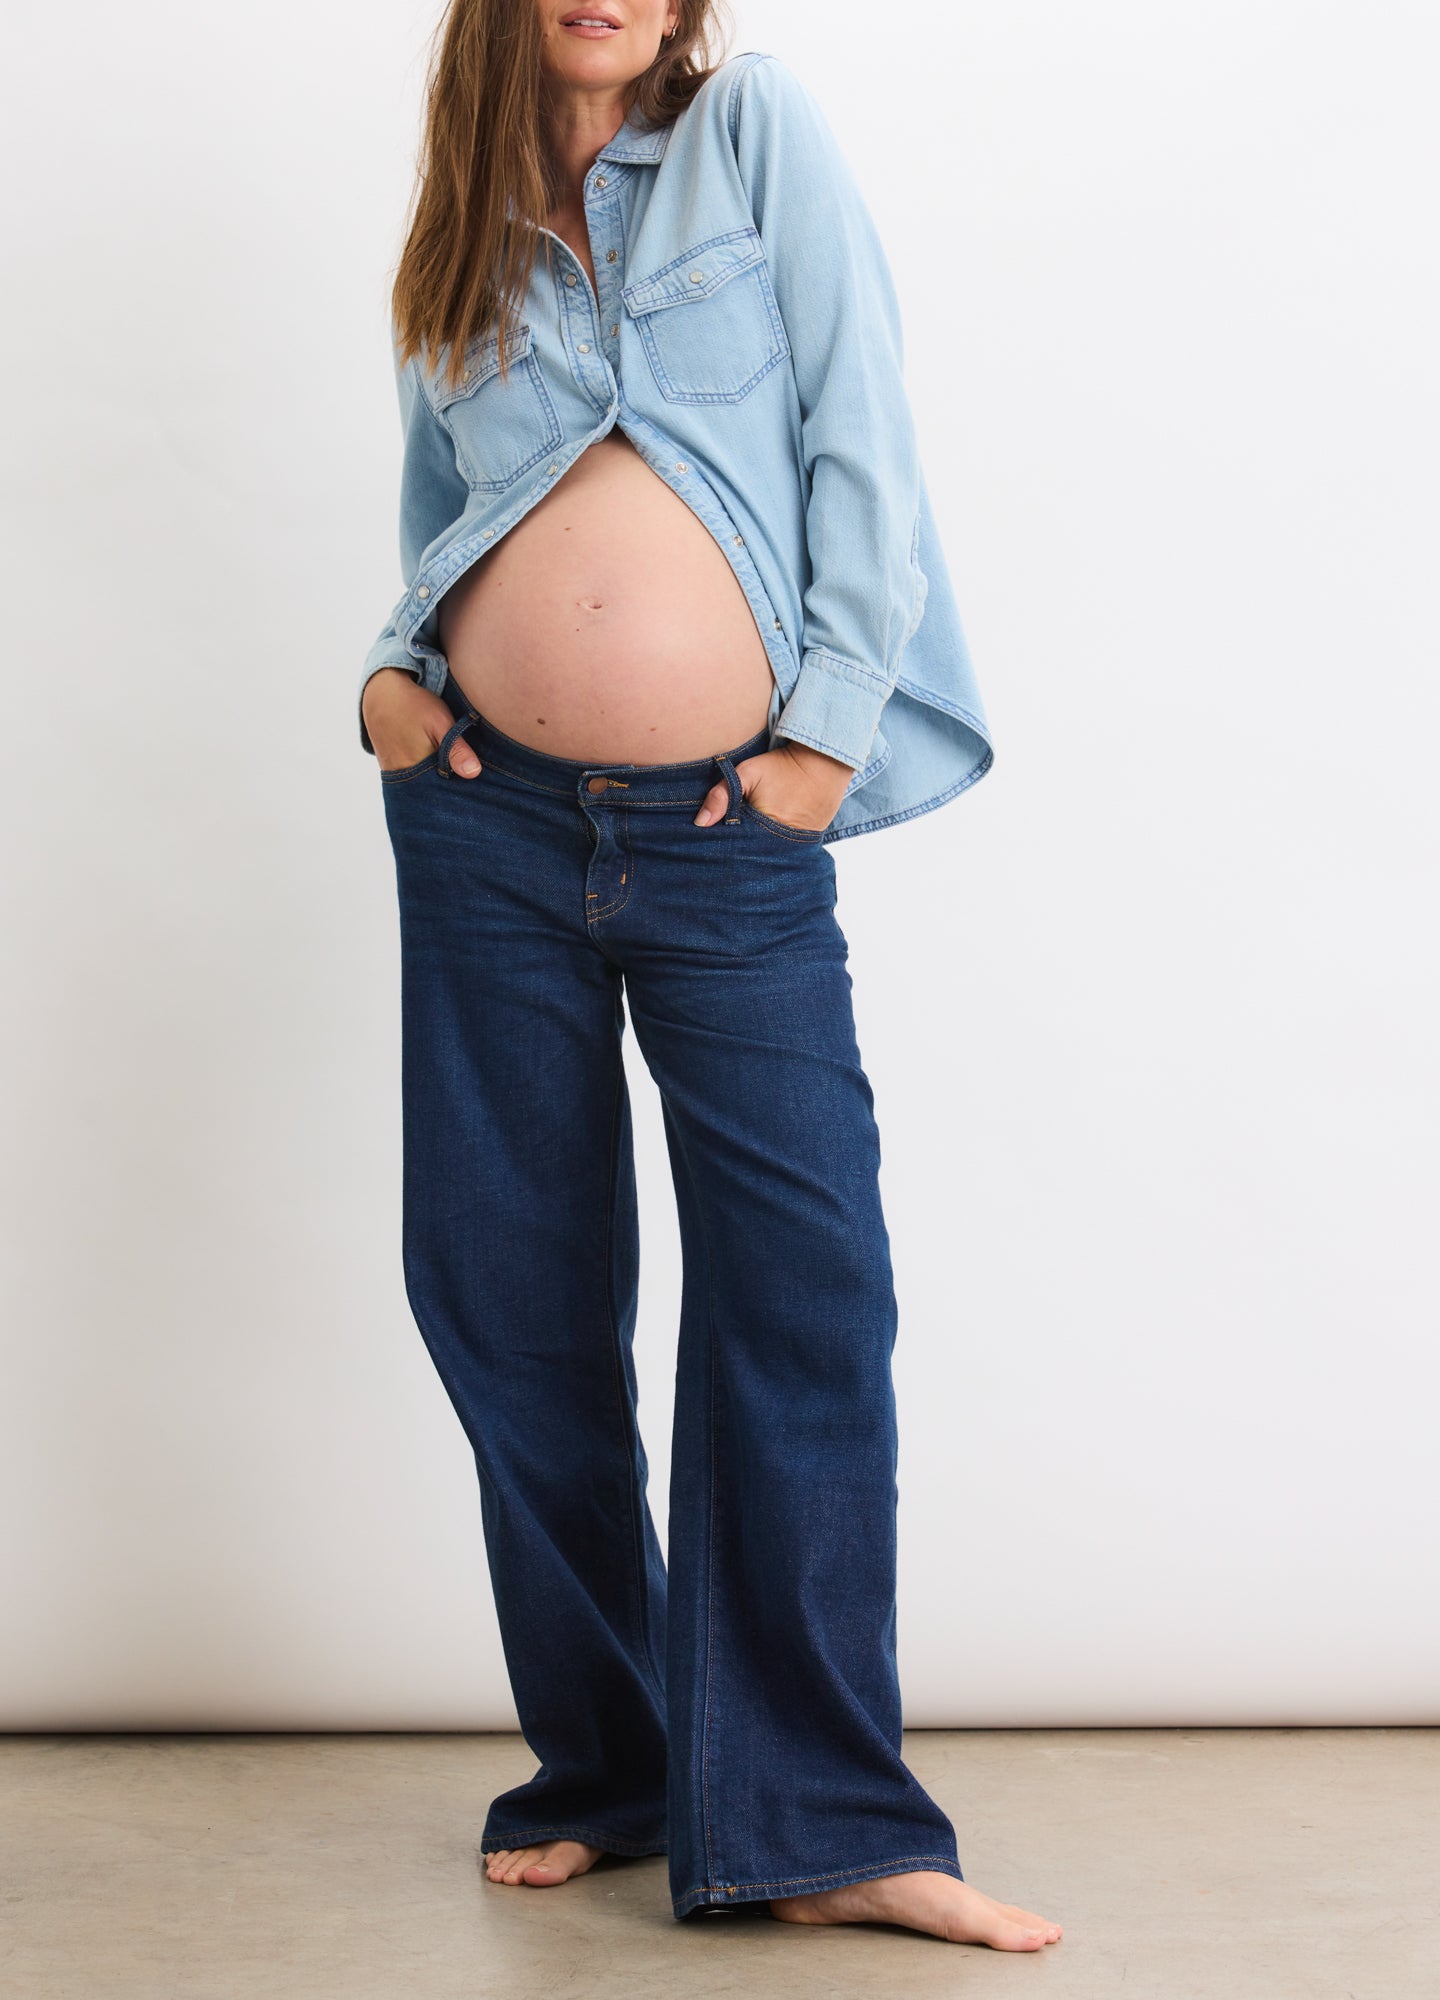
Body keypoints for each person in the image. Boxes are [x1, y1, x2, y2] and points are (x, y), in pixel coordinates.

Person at [359, 0, 1061, 1953]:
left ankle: (826, 1812)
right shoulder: (463, 227)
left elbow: (863, 435)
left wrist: (826, 726)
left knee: (802, 1279)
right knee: (509, 1290)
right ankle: (613, 1761)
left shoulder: (757, 143)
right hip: (481, 821)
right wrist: (390, 680)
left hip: (727, 827)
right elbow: (438, 511)